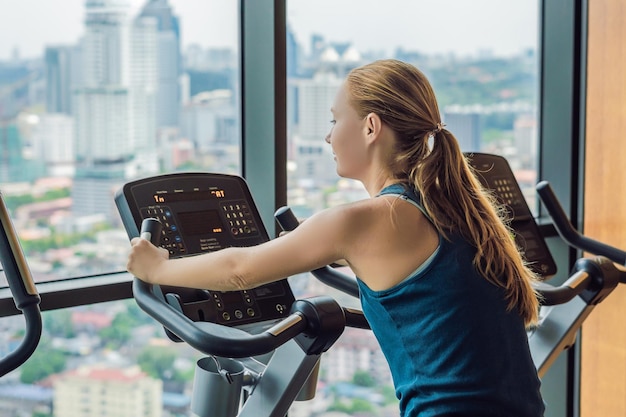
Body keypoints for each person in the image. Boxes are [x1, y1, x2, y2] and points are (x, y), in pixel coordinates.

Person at [127, 59, 544, 417]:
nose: (328, 136)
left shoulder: (371, 220)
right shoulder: (453, 210)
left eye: (334, 119)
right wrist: (321, 244)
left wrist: (158, 267)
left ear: (370, 127)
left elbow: (240, 269)